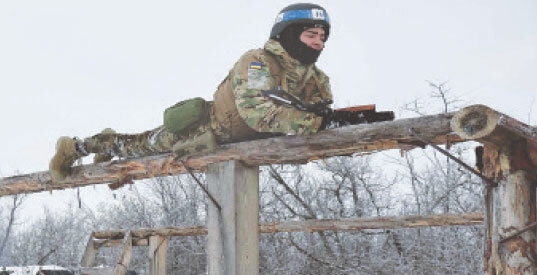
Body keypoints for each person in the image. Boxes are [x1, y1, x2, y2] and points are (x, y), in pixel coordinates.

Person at [49, 3, 334, 182]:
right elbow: (257, 114)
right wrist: (313, 122)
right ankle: (78, 147)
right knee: (138, 146)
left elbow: (319, 120)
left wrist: (328, 120)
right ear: (286, 34)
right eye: (310, 35)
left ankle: (112, 150)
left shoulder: (316, 79)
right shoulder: (259, 61)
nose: (318, 43)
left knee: (138, 150)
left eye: (322, 37)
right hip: (201, 130)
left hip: (234, 143)